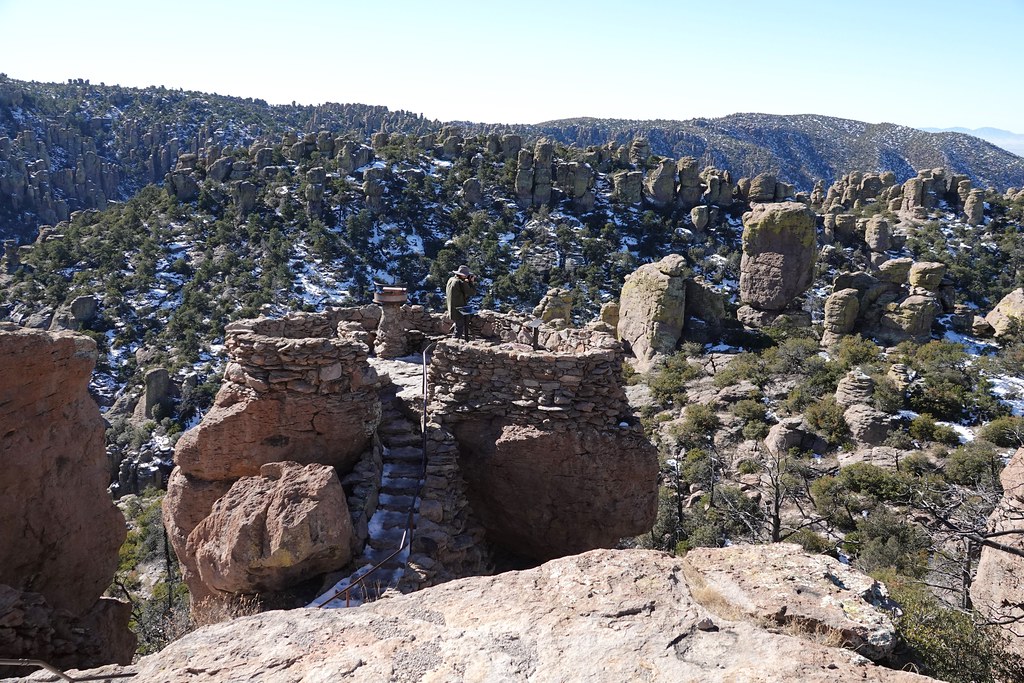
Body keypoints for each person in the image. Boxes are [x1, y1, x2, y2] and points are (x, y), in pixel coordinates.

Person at [445, 265, 477, 340]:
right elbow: (472, 292)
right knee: (459, 329)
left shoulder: (451, 279)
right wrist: (471, 282)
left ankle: (456, 333)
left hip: (452, 307)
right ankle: (453, 343)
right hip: (459, 309)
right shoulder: (460, 282)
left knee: (459, 324)